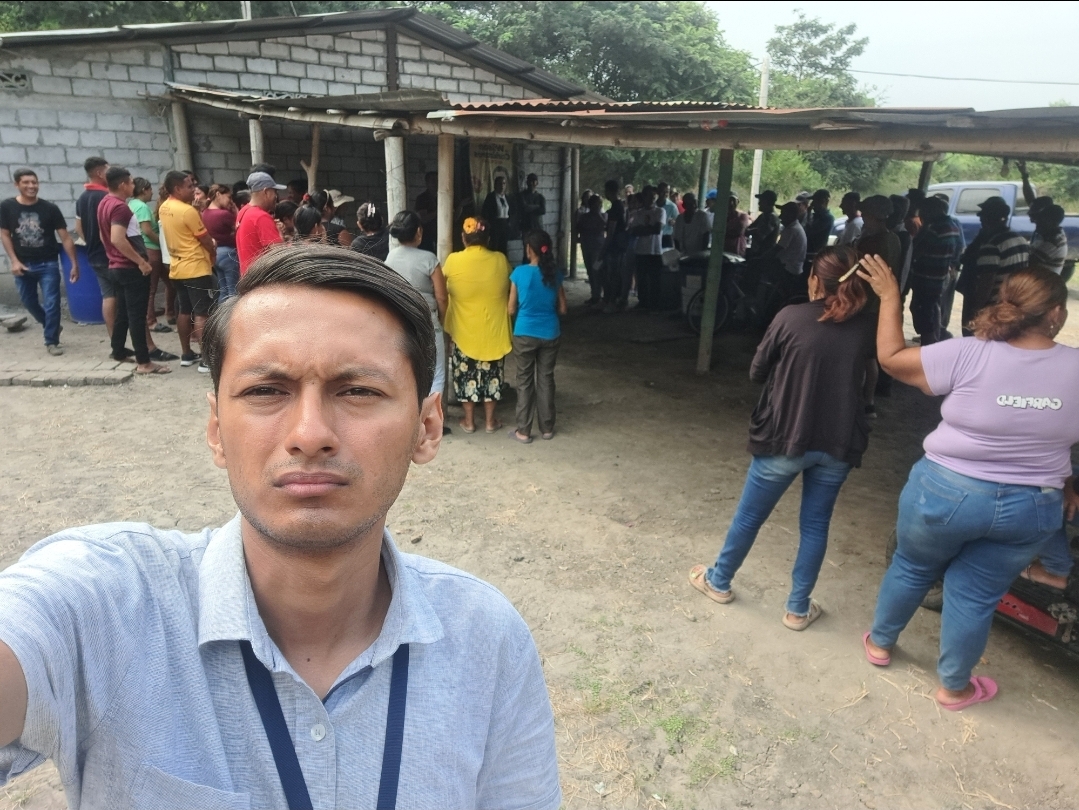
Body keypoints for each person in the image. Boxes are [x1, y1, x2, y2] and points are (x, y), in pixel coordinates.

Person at [0, 244, 561, 808]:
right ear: (216, 430)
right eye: (265, 391)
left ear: (427, 427)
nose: (310, 434)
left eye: (359, 390)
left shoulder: (487, 640)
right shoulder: (105, 605)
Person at [859, 260, 1079, 711]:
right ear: (1056, 313)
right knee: (975, 595)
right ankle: (953, 687)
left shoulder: (968, 352)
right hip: (1032, 506)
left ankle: (880, 644)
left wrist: (890, 297)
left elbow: (891, 359)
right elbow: (1054, 435)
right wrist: (1067, 482)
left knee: (912, 567)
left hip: (944, 492)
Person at [688, 246, 875, 630]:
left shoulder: (791, 317)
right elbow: (873, 381)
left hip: (784, 437)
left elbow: (757, 372)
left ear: (814, 280)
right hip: (838, 443)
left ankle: (719, 581)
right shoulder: (867, 327)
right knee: (816, 525)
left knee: (750, 517)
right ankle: (797, 609)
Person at [96, 166, 170, 375]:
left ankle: (118, 351)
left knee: (123, 313)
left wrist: (113, 255)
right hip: (129, 267)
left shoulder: (104, 203)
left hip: (116, 266)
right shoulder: (120, 207)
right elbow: (116, 238)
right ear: (122, 185)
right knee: (137, 316)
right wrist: (140, 262)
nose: (132, 186)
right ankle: (144, 362)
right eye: (130, 183)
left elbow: (104, 236)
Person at [442, 217, 512, 434]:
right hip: (493, 331)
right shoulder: (500, 260)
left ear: (464, 238)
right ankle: (490, 422)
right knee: (493, 377)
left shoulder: (453, 261)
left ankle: (469, 421)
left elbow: (442, 288)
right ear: (488, 239)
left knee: (465, 377)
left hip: (463, 331)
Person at [0, 168, 77, 356]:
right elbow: (4, 234)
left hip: (48, 263)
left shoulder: (50, 209)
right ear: (16, 184)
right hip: (22, 264)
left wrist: (74, 263)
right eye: (26, 182)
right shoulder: (7, 207)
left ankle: (51, 341)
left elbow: (65, 237)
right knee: (29, 302)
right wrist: (14, 261)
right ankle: (51, 325)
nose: (31, 186)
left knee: (52, 303)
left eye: (34, 182)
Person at [509, 229, 566, 444]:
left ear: (529, 250)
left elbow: (510, 309)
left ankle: (523, 431)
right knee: (546, 379)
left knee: (524, 381)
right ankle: (547, 428)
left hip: (524, 332)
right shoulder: (555, 274)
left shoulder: (519, 273)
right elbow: (563, 308)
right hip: (550, 332)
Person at [384, 210, 449, 403]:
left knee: (407, 373)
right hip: (428, 323)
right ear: (419, 231)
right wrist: (441, 320)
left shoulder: (390, 258)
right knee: (436, 375)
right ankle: (431, 417)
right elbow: (442, 297)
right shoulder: (429, 259)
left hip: (401, 324)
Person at [159, 170, 215, 372]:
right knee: (202, 313)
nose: (193, 189)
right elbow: (205, 239)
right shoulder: (187, 211)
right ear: (177, 188)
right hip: (196, 267)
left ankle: (186, 354)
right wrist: (213, 251)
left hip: (177, 268)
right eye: (189, 186)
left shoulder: (164, 207)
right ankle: (206, 360)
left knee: (184, 310)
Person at [956, 196, 1029, 334]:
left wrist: (976, 310)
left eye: (983, 216)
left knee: (977, 338)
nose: (980, 219)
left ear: (988, 219)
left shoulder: (991, 245)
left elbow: (986, 281)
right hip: (1011, 301)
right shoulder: (1020, 239)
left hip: (992, 304)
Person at [909, 196, 964, 346]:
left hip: (927, 278)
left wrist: (922, 230)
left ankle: (928, 344)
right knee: (932, 308)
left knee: (924, 313)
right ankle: (935, 338)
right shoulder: (952, 226)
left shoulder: (933, 229)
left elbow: (916, 250)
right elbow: (958, 250)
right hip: (940, 276)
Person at [75, 157, 118, 339]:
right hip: (112, 257)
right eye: (108, 170)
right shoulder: (107, 197)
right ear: (100, 173)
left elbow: (78, 227)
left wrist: (91, 241)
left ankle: (115, 340)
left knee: (108, 297)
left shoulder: (82, 198)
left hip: (94, 255)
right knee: (124, 299)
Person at [128, 178, 171, 335]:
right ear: (143, 190)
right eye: (149, 189)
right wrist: (162, 243)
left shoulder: (131, 204)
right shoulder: (142, 207)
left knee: (170, 282)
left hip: (145, 248)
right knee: (152, 287)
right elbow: (147, 230)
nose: (152, 192)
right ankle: (151, 320)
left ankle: (170, 312)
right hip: (151, 249)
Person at [236, 171, 285, 276]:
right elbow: (280, 255)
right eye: (274, 192)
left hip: (248, 278)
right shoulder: (261, 217)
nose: (276, 196)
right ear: (266, 192)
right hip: (262, 279)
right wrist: (280, 235)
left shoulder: (243, 211)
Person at [631, 186, 666, 310]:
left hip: (655, 250)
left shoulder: (660, 211)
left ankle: (654, 305)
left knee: (655, 279)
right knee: (642, 279)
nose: (652, 199)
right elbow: (634, 231)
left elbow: (657, 229)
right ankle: (643, 303)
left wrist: (643, 229)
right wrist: (649, 228)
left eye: (654, 196)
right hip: (641, 250)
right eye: (649, 196)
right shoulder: (638, 213)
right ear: (644, 197)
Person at [201, 184, 239, 300]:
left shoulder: (205, 212)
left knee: (223, 290)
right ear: (218, 194)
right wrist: (235, 211)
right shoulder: (224, 214)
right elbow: (239, 228)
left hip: (215, 254)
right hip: (228, 253)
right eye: (228, 197)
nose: (230, 201)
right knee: (233, 291)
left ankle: (221, 311)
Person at [601, 179, 630, 312]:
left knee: (613, 275)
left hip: (615, 246)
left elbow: (611, 231)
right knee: (616, 274)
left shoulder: (615, 208)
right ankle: (614, 300)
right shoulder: (621, 206)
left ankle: (612, 301)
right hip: (621, 244)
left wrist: (604, 248)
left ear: (608, 191)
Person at [576, 194, 607, 307]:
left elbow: (604, 225)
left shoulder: (603, 215)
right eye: (595, 204)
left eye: (598, 204)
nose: (597, 206)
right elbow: (578, 228)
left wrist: (597, 214)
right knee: (590, 270)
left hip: (598, 248)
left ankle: (599, 294)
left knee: (597, 270)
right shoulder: (584, 216)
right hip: (586, 246)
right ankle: (594, 294)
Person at [1029, 203, 1068, 275]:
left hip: (1043, 280)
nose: (1037, 223)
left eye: (1041, 220)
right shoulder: (1046, 236)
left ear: (1052, 222)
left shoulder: (1054, 242)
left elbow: (1029, 262)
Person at [481, 176, 513, 255]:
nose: (502, 186)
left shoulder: (507, 198)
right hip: (495, 226)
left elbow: (512, 212)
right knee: (495, 247)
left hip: (505, 225)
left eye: (504, 183)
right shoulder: (491, 197)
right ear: (495, 185)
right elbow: (485, 212)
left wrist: (510, 222)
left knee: (504, 248)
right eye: (499, 184)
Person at [745, 190, 779, 258]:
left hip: (763, 256)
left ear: (768, 202)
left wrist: (751, 231)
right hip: (757, 253)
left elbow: (761, 235)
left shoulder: (771, 217)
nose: (759, 203)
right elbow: (749, 228)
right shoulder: (763, 215)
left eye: (762, 201)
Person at [804, 189, 834, 258]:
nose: (812, 204)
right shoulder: (816, 216)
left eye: (815, 201)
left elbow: (810, 231)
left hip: (815, 252)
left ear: (823, 202)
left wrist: (808, 214)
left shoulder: (827, 218)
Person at [414, 171, 438, 253]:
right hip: (426, 235)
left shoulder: (443, 196)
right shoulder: (422, 198)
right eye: (433, 181)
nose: (436, 183)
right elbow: (423, 219)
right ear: (427, 183)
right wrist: (438, 212)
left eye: (437, 181)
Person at [657, 182, 679, 249]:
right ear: (658, 191)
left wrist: (674, 222)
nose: (665, 194)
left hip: (667, 237)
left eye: (667, 192)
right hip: (655, 237)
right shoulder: (653, 205)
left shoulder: (672, 206)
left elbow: (678, 222)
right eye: (662, 191)